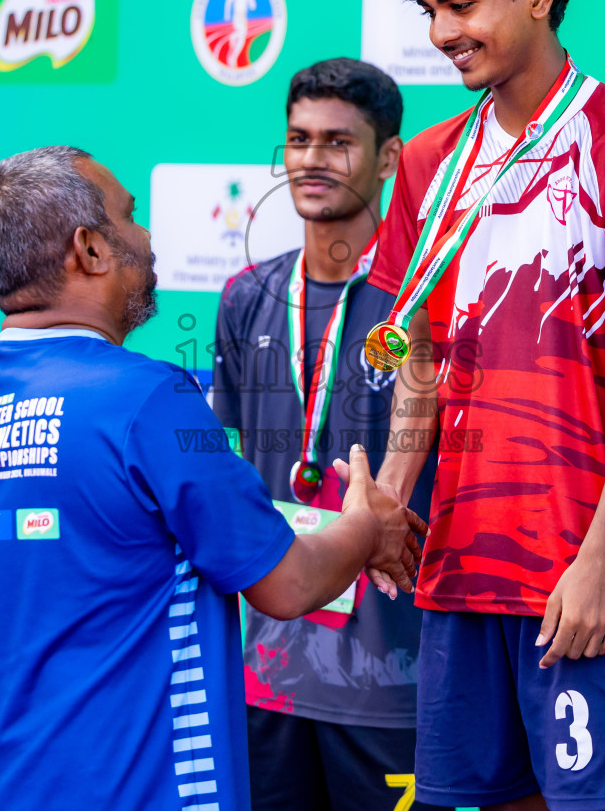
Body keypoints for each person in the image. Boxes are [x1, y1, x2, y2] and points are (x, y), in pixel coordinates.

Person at [0, 145, 425, 811]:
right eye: (129, 216)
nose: (146, 236)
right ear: (90, 249)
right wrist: (367, 528)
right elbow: (289, 582)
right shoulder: (150, 401)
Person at [365, 0, 605, 811]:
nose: (441, 33)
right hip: (460, 568)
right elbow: (420, 355)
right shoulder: (428, 161)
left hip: (581, 570)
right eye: (431, 9)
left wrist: (603, 558)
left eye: (462, 4)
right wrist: (392, 495)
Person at [211, 59, 446, 811]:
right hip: (268, 677)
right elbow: (236, 467)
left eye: (338, 142)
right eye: (299, 138)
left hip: (392, 676)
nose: (312, 159)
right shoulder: (246, 297)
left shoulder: (426, 299)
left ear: (388, 157)